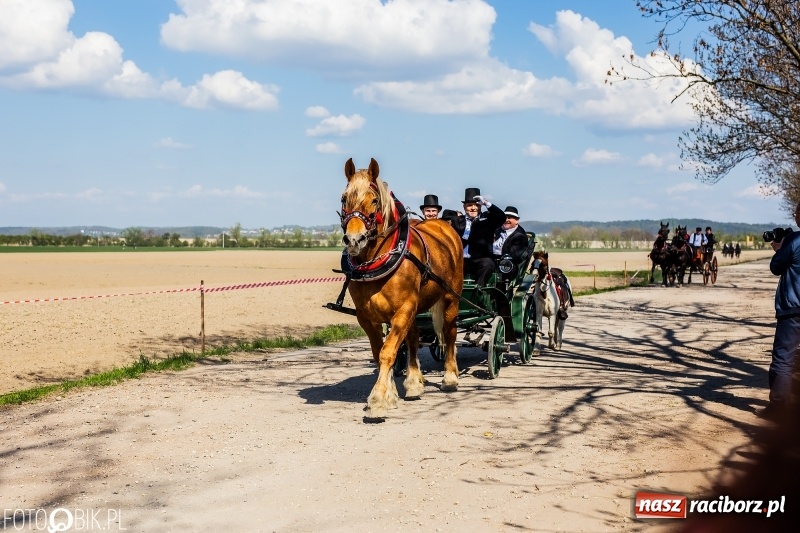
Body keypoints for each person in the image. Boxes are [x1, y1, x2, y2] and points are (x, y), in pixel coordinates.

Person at [761, 205, 800, 420]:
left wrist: (780, 247)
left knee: (784, 359)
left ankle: (779, 409)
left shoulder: (794, 241)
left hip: (793, 308)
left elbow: (776, 267)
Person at [450, 187, 506, 287]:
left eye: (476, 205)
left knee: (488, 265)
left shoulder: (488, 219)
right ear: (464, 207)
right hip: (461, 260)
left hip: (481, 258)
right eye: (469, 205)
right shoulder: (457, 221)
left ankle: (478, 292)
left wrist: (486, 203)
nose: (473, 208)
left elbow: (502, 217)